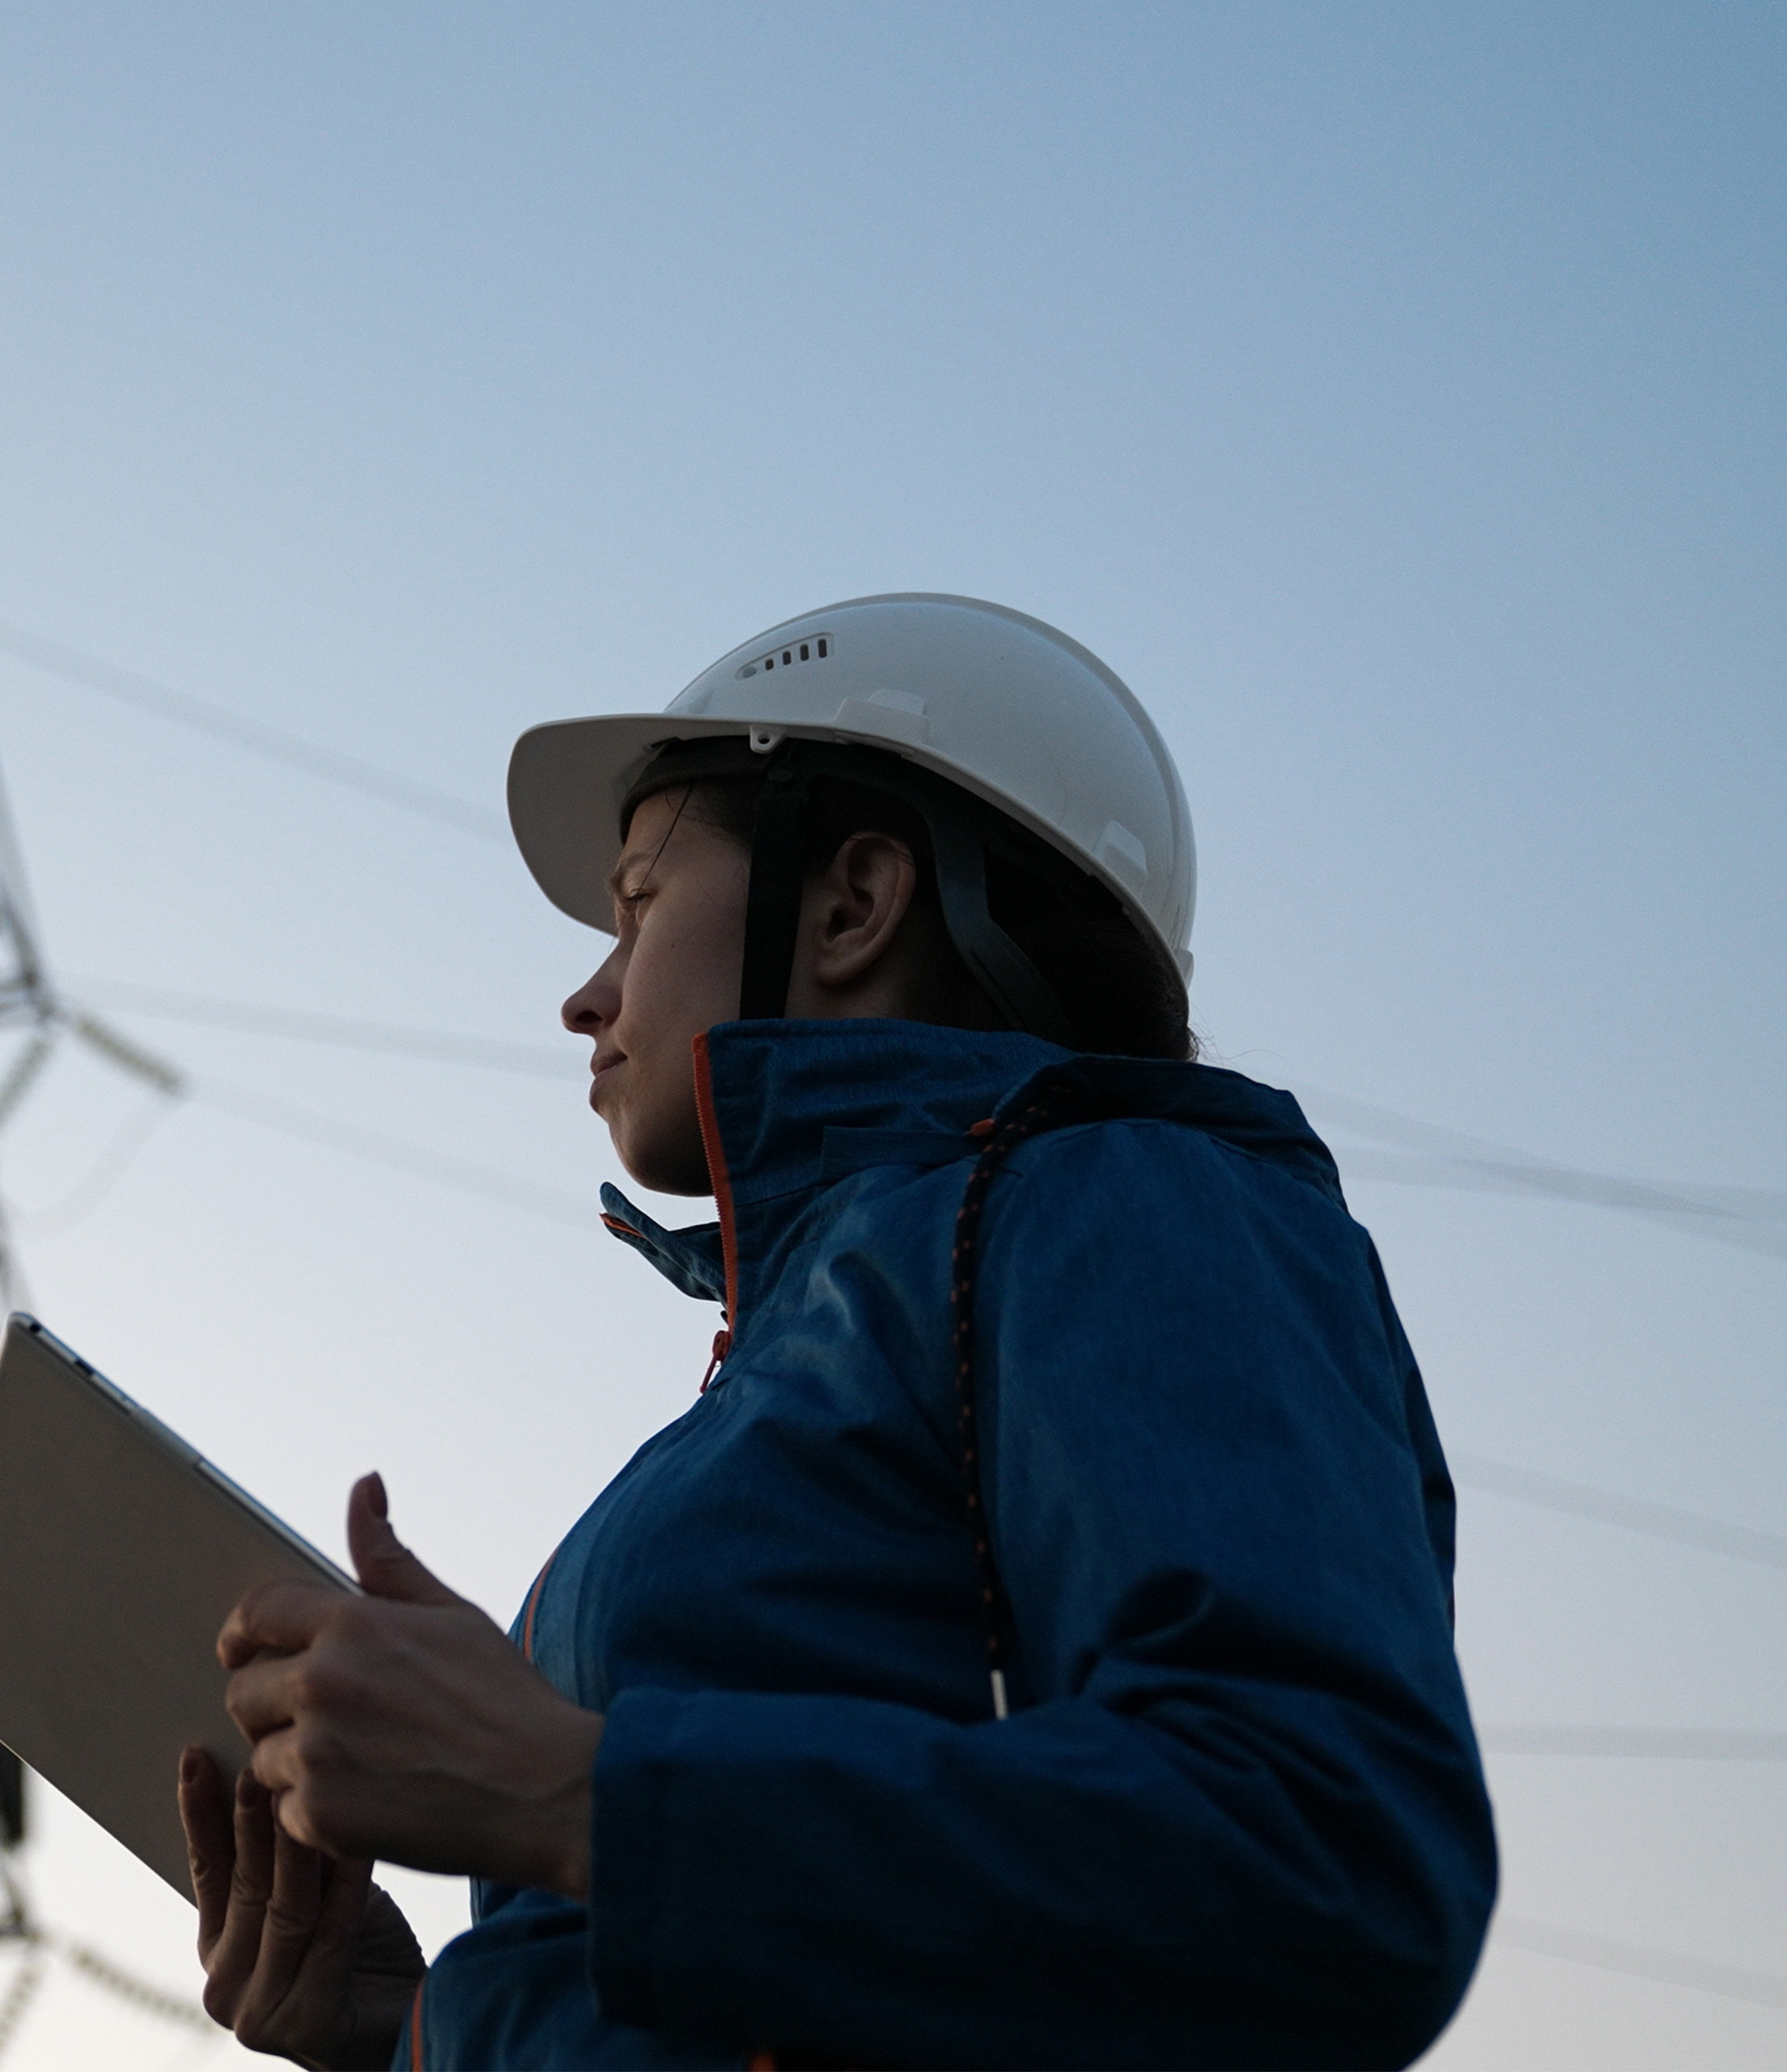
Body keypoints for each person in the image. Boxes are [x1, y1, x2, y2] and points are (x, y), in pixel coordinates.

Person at [174, 594, 1496, 2070]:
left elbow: (1321, 1853)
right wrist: (416, 2030)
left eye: (638, 904)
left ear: (853, 902)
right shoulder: (800, 1343)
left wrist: (568, 1796)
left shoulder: (1125, 1194)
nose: (583, 995)